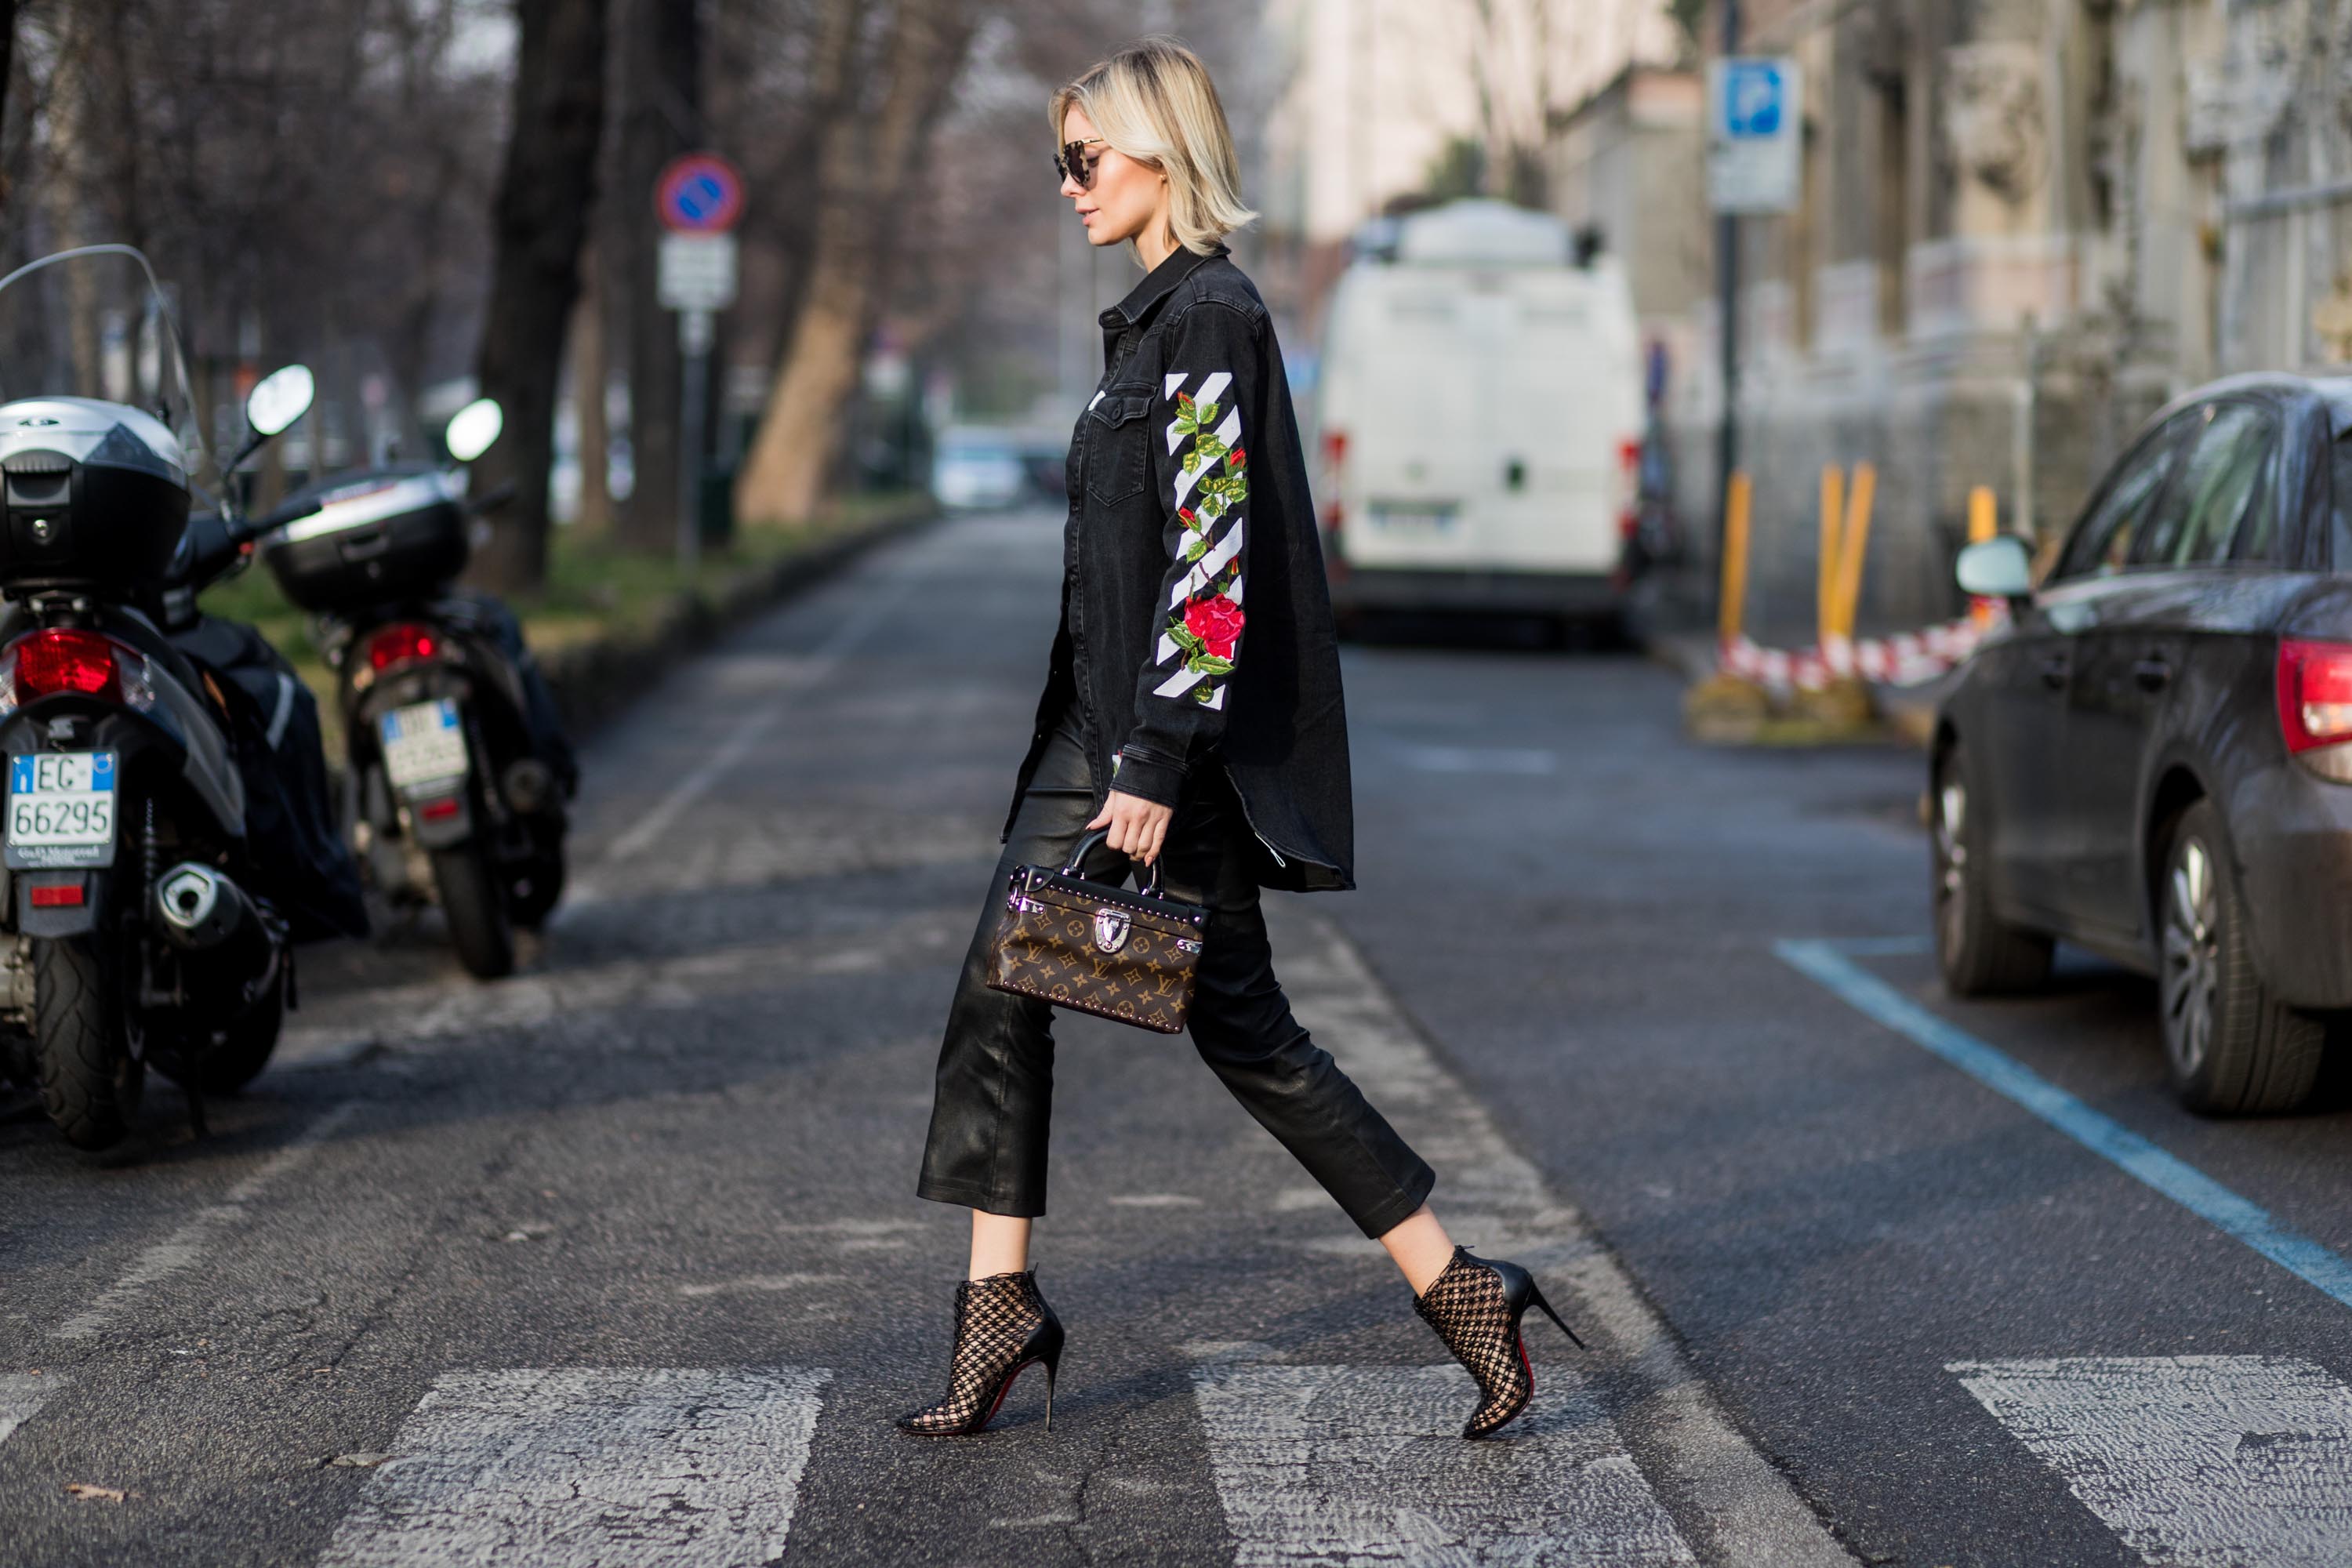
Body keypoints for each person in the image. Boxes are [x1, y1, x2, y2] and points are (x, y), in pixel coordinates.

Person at [903, 36, 1580, 1441]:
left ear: (1164, 153)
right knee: (1052, 1002)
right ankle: (1015, 1305)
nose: (1069, 182)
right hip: (1089, 733)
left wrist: (1152, 762)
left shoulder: (1209, 316)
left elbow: (1213, 563)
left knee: (1201, 1029)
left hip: (1143, 750)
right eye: (1061, 160)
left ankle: (1456, 1286)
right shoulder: (1148, 326)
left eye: (1087, 156)